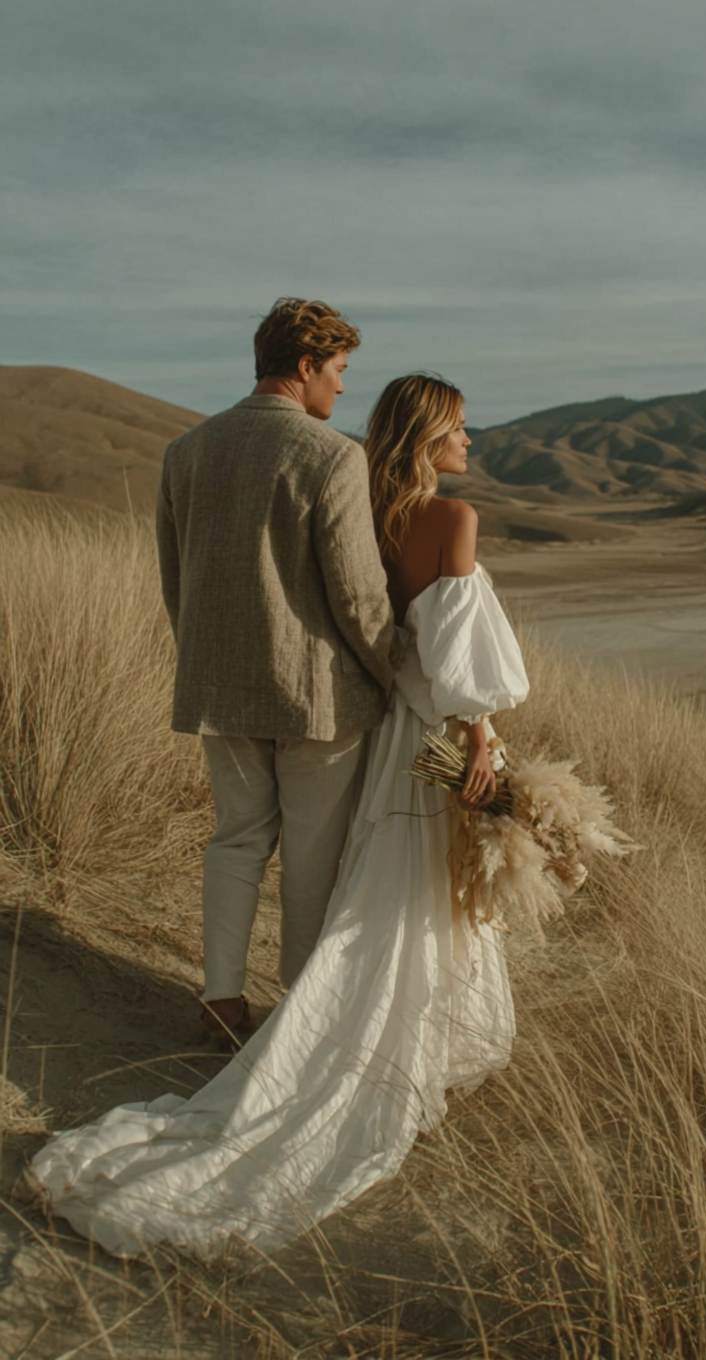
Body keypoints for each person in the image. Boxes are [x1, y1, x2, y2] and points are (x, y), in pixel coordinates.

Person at [29, 374, 530, 1258]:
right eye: (459, 429)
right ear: (428, 436)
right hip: (432, 735)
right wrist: (482, 739)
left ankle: (266, 1009)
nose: (470, 442)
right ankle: (354, 1035)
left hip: (384, 739)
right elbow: (454, 661)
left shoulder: (375, 516)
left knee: (359, 880)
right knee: (400, 894)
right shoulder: (454, 520)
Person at [154, 298, 401, 1040]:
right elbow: (358, 594)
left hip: (218, 686)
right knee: (311, 859)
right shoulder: (332, 456)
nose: (343, 388)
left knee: (235, 840)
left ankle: (221, 1000)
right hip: (316, 697)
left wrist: (205, 657)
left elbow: (176, 580)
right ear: (305, 366)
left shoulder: (186, 451)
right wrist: (398, 677)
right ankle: (300, 1019)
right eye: (339, 370)